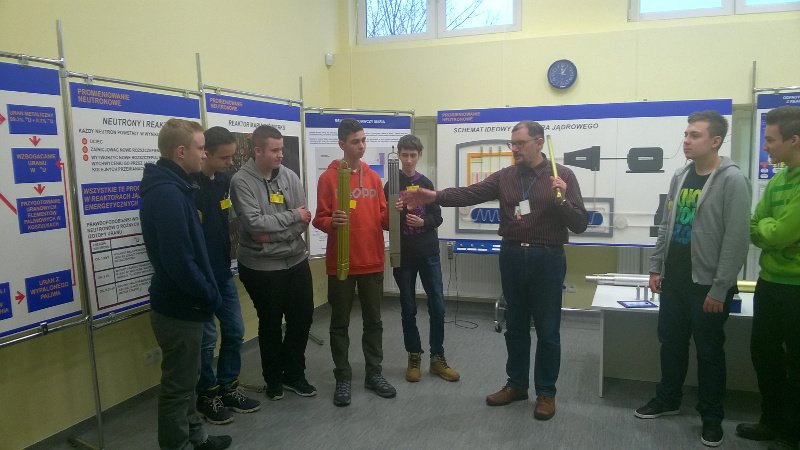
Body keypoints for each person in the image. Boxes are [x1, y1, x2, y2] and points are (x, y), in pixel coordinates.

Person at [403, 120, 588, 421]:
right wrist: (434, 196)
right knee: (515, 326)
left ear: (539, 143)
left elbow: (579, 223)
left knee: (547, 330)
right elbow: (469, 194)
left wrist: (563, 199)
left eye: (520, 143)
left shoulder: (562, 175)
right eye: (512, 143)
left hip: (547, 258)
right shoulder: (506, 176)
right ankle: (516, 385)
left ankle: (546, 392)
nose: (514, 148)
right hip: (512, 255)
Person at [633, 111, 751, 447]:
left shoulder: (732, 180)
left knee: (709, 353)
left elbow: (736, 240)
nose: (686, 140)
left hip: (708, 286)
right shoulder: (681, 175)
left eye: (695, 135)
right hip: (675, 280)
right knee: (671, 343)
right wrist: (656, 267)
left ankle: (711, 418)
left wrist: (720, 287)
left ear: (715, 141)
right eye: (686, 134)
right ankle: (668, 399)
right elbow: (666, 225)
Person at [139, 118, 231, 450]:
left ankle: (197, 438)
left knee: (188, 382)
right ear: (181, 152)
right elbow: (179, 262)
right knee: (177, 388)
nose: (205, 154)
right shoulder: (167, 194)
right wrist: (210, 295)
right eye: (201, 148)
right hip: (179, 307)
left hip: (188, 304)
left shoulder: (177, 187)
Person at [312, 118, 395, 407]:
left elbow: (383, 219)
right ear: (341, 144)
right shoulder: (328, 178)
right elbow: (319, 218)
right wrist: (330, 222)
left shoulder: (373, 178)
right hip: (341, 263)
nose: (361, 146)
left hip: (372, 261)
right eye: (355, 141)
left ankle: (374, 374)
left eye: (363, 140)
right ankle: (343, 377)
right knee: (339, 323)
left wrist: (396, 212)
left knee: (374, 322)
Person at [230, 125, 316, 401]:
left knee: (302, 319)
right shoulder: (241, 181)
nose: (281, 154)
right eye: (275, 150)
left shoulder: (289, 176)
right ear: (258, 151)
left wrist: (273, 235)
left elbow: (304, 218)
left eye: (282, 149)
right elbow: (254, 224)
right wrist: (292, 217)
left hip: (296, 260)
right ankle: (273, 379)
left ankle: (294, 373)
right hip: (262, 267)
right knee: (270, 323)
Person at [737, 105, 800, 450]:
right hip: (770, 283)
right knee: (764, 356)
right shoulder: (778, 180)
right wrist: (773, 231)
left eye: (771, 140)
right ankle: (770, 421)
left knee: (796, 363)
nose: (766, 147)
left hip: (796, 289)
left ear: (794, 140)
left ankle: (793, 430)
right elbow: (756, 226)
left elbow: (779, 233)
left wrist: (773, 231)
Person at [192, 126, 261, 424]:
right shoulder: (189, 186)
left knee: (234, 330)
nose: (231, 163)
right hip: (199, 275)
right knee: (207, 339)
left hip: (221, 271)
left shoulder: (223, 181)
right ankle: (207, 395)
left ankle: (228, 386)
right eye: (225, 158)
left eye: (233, 157)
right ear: (205, 153)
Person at [383, 134, 459, 383]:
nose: (408, 160)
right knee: (408, 308)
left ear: (419, 156)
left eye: (412, 155)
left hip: (428, 253)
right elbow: (383, 222)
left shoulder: (425, 182)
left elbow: (438, 218)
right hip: (403, 254)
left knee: (437, 305)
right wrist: (394, 214)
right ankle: (413, 356)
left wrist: (423, 222)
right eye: (404, 155)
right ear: (399, 155)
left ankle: (437, 358)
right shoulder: (391, 185)